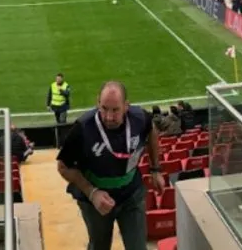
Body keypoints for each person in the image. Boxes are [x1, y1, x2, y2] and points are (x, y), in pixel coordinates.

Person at [56, 81, 165, 250]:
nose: (108, 116)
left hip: (131, 194)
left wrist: (155, 169)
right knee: (99, 246)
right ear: (97, 103)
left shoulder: (140, 118)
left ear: (126, 106)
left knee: (138, 247)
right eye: (104, 108)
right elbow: (63, 166)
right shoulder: (83, 128)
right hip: (95, 201)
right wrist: (92, 193)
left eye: (115, 110)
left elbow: (151, 130)